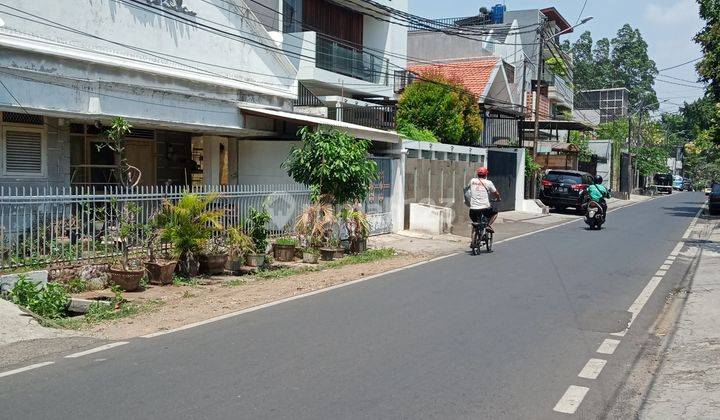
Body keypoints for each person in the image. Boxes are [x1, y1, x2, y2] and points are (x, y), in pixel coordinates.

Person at [467, 167, 501, 232]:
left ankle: (474, 239)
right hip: (485, 208)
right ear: (486, 175)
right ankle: (488, 225)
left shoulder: (472, 181)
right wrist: (498, 198)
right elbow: (496, 193)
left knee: (475, 223)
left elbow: (468, 189)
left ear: (477, 174)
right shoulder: (488, 182)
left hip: (472, 209)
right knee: (495, 212)